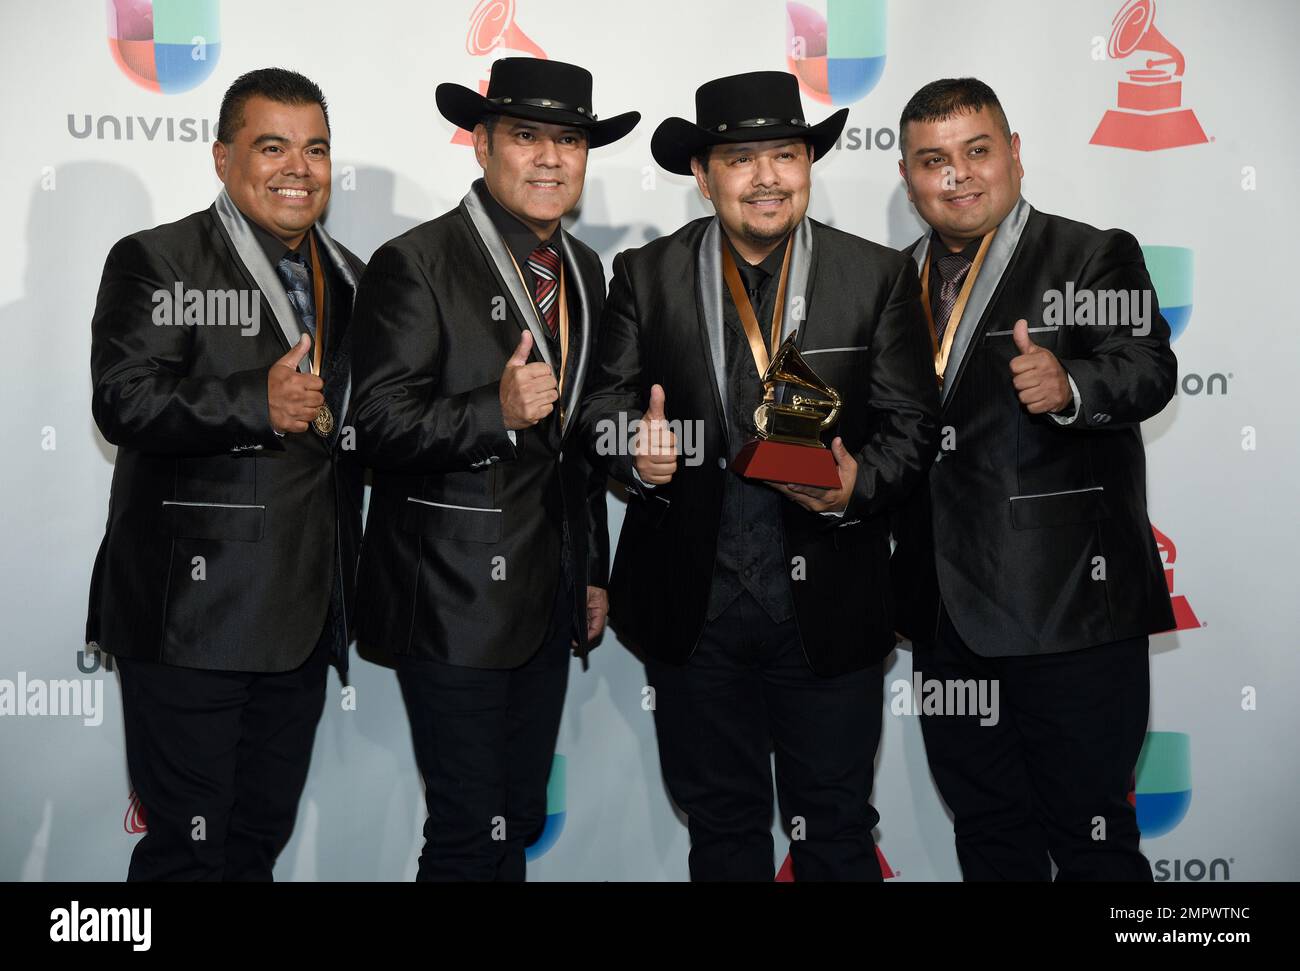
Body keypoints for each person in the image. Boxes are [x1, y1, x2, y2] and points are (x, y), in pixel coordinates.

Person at [578, 71, 939, 880]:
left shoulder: (877, 277)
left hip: (829, 611)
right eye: (742, 159)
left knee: (838, 833)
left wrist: (856, 488)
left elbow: (913, 430)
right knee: (723, 831)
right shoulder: (645, 274)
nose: (768, 176)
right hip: (691, 613)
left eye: (787, 153)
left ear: (809, 165)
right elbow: (598, 406)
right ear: (703, 177)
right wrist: (633, 448)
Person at [348, 58, 637, 881]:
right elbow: (375, 425)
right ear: (481, 143)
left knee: (511, 823)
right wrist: (494, 411)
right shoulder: (415, 262)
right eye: (527, 136)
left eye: (570, 140)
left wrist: (590, 568)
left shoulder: (585, 269)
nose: (551, 158)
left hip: (547, 602)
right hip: (450, 602)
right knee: (467, 838)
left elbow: (575, 442)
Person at [890, 77, 1178, 881]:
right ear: (908, 177)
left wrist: (1072, 386)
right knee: (988, 836)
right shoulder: (887, 281)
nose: (958, 175)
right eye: (933, 161)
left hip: (1069, 613)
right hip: (946, 619)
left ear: (1014, 154)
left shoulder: (1091, 252)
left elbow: (1147, 368)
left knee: (1092, 843)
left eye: (977, 151)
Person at [88, 68, 365, 880]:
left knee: (251, 849)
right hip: (193, 619)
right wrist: (253, 402)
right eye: (271, 145)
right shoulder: (157, 260)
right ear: (221, 156)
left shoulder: (350, 274)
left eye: (315, 149)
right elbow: (123, 401)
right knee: (189, 857)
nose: (298, 168)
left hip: (304, 612)